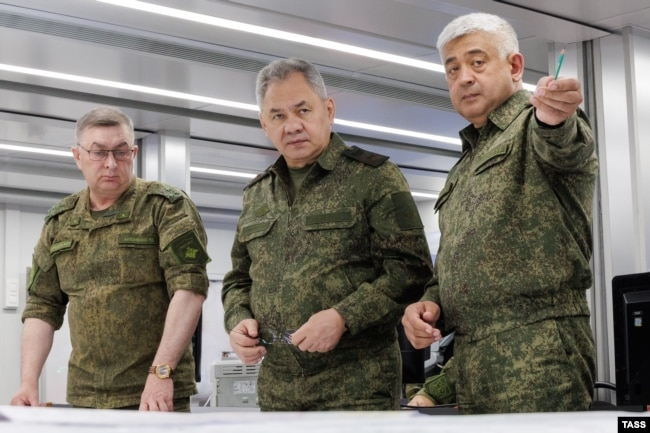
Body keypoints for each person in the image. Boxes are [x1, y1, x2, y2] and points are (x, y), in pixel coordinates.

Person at [401, 13, 598, 414]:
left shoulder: (534, 124)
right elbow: (460, 264)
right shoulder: (465, 166)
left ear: (514, 66)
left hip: (539, 350)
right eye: (452, 69)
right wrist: (429, 303)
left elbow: (562, 141)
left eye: (477, 62)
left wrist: (556, 117)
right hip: (471, 358)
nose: (463, 78)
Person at [221, 57, 434, 411]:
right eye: (278, 116)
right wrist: (237, 319)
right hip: (278, 392)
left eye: (303, 110)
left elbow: (411, 271)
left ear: (328, 109)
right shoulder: (256, 194)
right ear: (263, 124)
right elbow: (238, 280)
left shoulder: (374, 177)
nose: (292, 125)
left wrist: (343, 317)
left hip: (356, 390)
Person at [10, 106, 210, 412]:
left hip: (152, 394)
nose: (111, 163)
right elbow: (42, 305)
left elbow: (190, 289)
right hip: (85, 396)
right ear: (77, 156)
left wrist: (161, 371)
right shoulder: (60, 221)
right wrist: (28, 382)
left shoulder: (164, 207)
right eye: (99, 152)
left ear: (134, 153)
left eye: (121, 152)